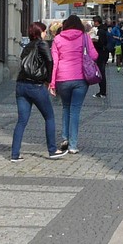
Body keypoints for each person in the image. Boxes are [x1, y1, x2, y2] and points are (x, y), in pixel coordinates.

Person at [11, 23, 67, 161]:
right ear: (40, 32)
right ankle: (52, 150)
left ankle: (14, 155)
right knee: (49, 117)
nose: (45, 33)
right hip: (35, 86)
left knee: (21, 121)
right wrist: (49, 81)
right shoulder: (41, 44)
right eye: (44, 31)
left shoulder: (26, 47)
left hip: (21, 85)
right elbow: (50, 61)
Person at [50, 14, 97, 154]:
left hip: (62, 78)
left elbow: (55, 63)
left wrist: (52, 83)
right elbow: (94, 56)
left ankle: (65, 138)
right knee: (75, 110)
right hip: (80, 78)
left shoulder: (57, 39)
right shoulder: (85, 37)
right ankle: (73, 145)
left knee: (66, 107)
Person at [92, 16, 109, 99]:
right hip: (104, 53)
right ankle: (102, 91)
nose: (93, 23)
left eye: (94, 21)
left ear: (97, 22)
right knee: (101, 72)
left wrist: (94, 41)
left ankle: (103, 91)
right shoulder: (104, 29)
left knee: (101, 72)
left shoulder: (100, 31)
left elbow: (100, 43)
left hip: (101, 54)